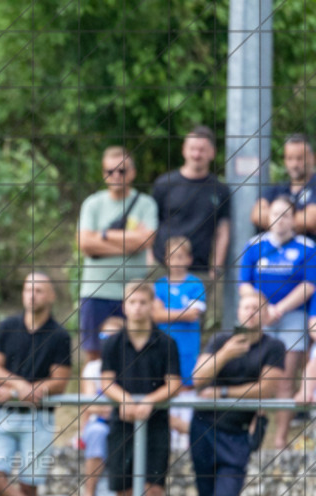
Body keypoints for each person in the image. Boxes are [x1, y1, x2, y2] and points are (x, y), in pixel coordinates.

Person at [173, 290, 285, 496]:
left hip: (237, 432)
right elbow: (198, 378)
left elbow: (266, 389)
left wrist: (222, 393)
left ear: (266, 315)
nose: (251, 312)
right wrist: (224, 354)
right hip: (204, 427)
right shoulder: (221, 340)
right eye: (246, 307)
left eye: (257, 308)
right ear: (238, 312)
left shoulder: (274, 347)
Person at [0, 272, 70, 496]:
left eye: (40, 290)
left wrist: (33, 390)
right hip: (5, 414)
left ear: (51, 296)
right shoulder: (8, 326)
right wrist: (20, 386)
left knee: (29, 485)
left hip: (39, 417)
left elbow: (60, 380)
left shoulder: (59, 335)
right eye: (28, 289)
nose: (32, 295)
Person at [100, 280, 182, 496]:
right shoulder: (112, 343)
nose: (137, 308)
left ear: (152, 305)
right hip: (121, 423)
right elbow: (106, 381)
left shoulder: (166, 343)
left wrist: (149, 401)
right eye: (132, 302)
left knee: (155, 488)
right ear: (124, 306)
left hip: (156, 422)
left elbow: (174, 383)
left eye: (143, 302)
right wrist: (124, 400)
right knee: (121, 488)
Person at [240, 195, 315, 449]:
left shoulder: (307, 247)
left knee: (285, 380)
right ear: (268, 217)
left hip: (292, 317)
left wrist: (279, 309)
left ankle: (280, 440)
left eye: (285, 215)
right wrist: (260, 309)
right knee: (255, 379)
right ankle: (252, 438)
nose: (280, 220)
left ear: (293, 219)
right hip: (258, 318)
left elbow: (308, 286)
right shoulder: (253, 245)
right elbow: (243, 284)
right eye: (275, 214)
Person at [77, 146, 158, 361]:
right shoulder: (92, 203)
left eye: (121, 171)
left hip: (134, 295)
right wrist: (129, 242)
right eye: (109, 171)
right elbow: (85, 243)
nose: (115, 176)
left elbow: (147, 240)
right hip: (96, 292)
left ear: (132, 172)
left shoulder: (146, 204)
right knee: (94, 352)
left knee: (135, 351)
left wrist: (101, 236)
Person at [152, 126, 232, 325]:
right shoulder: (165, 183)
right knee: (156, 324)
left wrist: (216, 267)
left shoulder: (220, 189)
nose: (197, 154)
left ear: (212, 153)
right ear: (184, 150)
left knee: (195, 325)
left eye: (202, 149)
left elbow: (223, 230)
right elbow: (152, 223)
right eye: (192, 148)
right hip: (161, 268)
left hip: (199, 270)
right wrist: (149, 258)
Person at [153, 236, 206, 450]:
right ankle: (168, 437)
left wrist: (165, 313)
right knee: (165, 384)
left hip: (187, 347)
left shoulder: (195, 284)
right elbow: (154, 316)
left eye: (181, 256)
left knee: (186, 384)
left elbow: (193, 314)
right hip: (163, 347)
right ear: (166, 259)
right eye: (172, 256)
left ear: (189, 259)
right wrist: (176, 314)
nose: (176, 260)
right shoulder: (158, 285)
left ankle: (185, 439)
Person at [78, 317, 123, 496]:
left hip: (123, 421)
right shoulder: (93, 368)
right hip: (99, 422)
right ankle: (88, 495)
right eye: (104, 336)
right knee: (97, 433)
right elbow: (89, 404)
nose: (108, 341)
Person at [252, 134, 316, 233]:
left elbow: (311, 220)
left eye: (300, 158)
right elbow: (257, 215)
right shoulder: (278, 188)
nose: (294, 164)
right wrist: (296, 219)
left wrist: (274, 217)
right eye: (290, 158)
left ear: (312, 158)